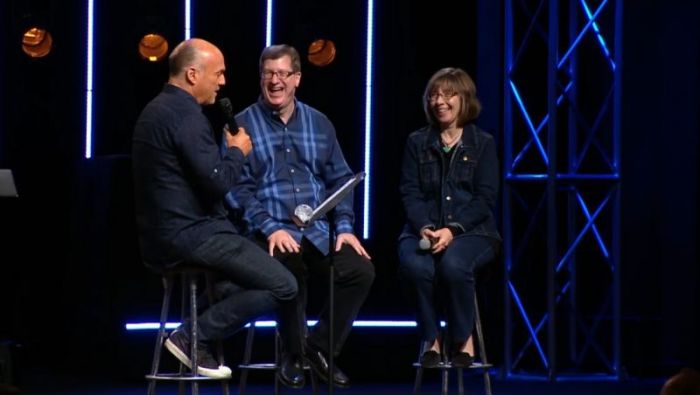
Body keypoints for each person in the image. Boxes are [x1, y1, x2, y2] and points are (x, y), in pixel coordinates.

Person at [132, 38, 298, 379]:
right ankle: (193, 337)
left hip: (164, 235)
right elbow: (219, 182)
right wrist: (237, 151)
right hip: (192, 235)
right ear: (193, 74)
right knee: (285, 285)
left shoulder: (157, 108)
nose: (222, 82)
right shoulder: (185, 116)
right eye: (218, 74)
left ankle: (192, 331)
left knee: (237, 285)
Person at [228, 44, 375, 389]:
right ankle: (292, 354)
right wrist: (267, 228)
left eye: (282, 74)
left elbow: (341, 179)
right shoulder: (242, 126)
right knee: (288, 273)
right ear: (260, 78)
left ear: (297, 79)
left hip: (319, 231)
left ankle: (318, 349)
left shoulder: (319, 122)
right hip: (271, 232)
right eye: (268, 74)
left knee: (360, 270)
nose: (275, 81)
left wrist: (344, 227)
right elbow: (235, 189)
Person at [397, 67, 501, 368]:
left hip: (472, 233)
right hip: (423, 229)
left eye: (448, 94)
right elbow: (410, 193)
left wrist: (452, 230)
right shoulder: (417, 142)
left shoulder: (482, 143)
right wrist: (426, 228)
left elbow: (485, 199)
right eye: (433, 95)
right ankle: (431, 339)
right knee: (416, 266)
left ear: (464, 99)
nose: (439, 101)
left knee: (454, 265)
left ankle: (463, 339)